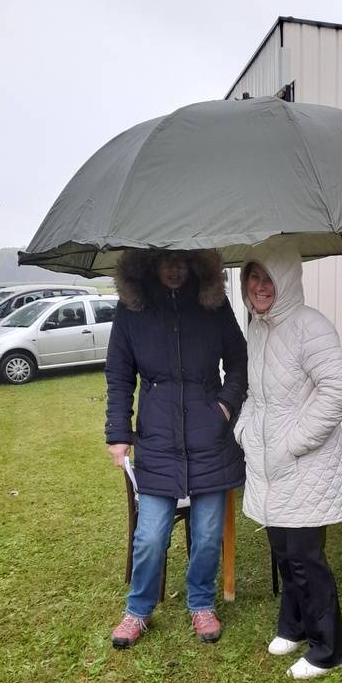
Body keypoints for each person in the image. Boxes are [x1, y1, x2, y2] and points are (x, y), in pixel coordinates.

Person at [105, 248, 247, 648]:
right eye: (165, 260)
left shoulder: (213, 305)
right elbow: (119, 374)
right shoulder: (132, 309)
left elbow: (239, 361)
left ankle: (201, 603)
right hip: (157, 441)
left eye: (181, 261)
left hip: (209, 439)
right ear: (150, 263)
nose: (173, 268)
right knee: (150, 536)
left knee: (207, 534)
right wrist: (118, 433)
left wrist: (224, 407)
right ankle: (138, 609)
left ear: (195, 263)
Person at [235, 238, 342, 680]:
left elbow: (337, 392)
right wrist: (246, 431)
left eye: (269, 278)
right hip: (270, 466)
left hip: (306, 465)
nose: (260, 287)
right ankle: (295, 626)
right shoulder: (257, 328)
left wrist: (291, 443)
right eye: (253, 277)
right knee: (283, 551)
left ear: (286, 280)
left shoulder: (310, 326)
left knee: (305, 558)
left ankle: (329, 649)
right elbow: (256, 395)